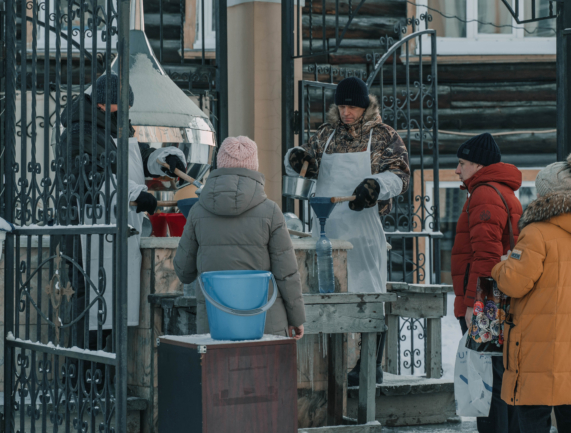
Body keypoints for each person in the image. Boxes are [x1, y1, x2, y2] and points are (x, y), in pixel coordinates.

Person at [283, 76, 410, 384]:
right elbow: (304, 166)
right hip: (326, 225)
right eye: (342, 106)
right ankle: (327, 364)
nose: (346, 112)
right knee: (324, 291)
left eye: (352, 107)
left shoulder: (383, 135)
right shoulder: (325, 134)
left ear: (364, 105)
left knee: (368, 293)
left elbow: (401, 174)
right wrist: (295, 158)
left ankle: (368, 364)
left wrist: (375, 186)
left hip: (363, 228)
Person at [57, 73, 187, 350]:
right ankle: (84, 375)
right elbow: (91, 177)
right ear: (103, 104)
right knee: (89, 297)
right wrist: (134, 194)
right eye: (121, 105)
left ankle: (105, 376)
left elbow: (138, 155)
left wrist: (164, 159)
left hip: (116, 228)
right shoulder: (80, 132)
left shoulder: (113, 127)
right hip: (85, 228)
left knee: (110, 300)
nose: (126, 111)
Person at [491, 151, 571, 433]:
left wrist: (501, 266)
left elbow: (514, 283)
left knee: (532, 415)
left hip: (537, 343)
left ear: (545, 194)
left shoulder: (536, 233)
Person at [174, 136, 306, 339]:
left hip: (216, 325)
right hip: (264, 324)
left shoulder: (197, 211)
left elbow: (184, 272)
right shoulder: (271, 211)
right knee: (264, 371)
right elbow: (286, 273)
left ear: (220, 164)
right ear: (253, 167)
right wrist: (296, 319)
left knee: (218, 371)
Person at [450, 132, 522, 433]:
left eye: (462, 163)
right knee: (501, 376)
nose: (457, 170)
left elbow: (486, 258)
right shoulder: (504, 192)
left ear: (478, 165)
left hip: (487, 302)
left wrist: (474, 307)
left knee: (485, 382)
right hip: (499, 299)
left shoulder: (484, 193)